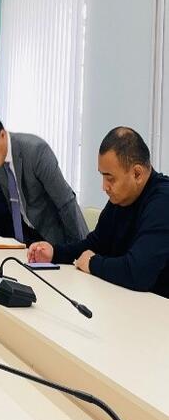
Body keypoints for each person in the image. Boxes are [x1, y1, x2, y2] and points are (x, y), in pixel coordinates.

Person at [28, 127, 169, 297]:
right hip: (125, 300)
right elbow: (95, 243)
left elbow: (138, 272)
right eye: (102, 177)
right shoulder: (122, 198)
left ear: (137, 174)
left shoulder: (163, 201)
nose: (104, 187)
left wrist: (93, 263)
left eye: (110, 178)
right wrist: (55, 253)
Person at [0, 113, 88, 245]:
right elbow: (14, 207)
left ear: (2, 135)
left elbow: (65, 202)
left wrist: (77, 247)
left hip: (57, 237)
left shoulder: (36, 151)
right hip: (29, 241)